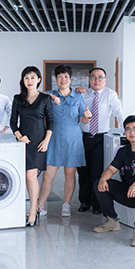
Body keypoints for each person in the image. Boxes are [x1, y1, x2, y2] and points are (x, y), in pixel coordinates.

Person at [93, 116, 135, 247]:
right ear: (124, 132)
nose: (132, 132)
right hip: (131, 192)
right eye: (128, 129)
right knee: (99, 183)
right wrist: (103, 178)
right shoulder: (123, 151)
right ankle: (112, 221)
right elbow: (111, 169)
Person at [38, 65, 89, 217]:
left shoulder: (78, 96)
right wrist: (52, 97)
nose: (63, 79)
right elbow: (34, 92)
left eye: (66, 76)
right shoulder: (49, 95)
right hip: (53, 139)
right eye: (60, 76)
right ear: (56, 79)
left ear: (70, 79)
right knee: (48, 175)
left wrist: (87, 117)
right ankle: (41, 205)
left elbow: (83, 120)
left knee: (70, 175)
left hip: (72, 139)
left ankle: (66, 204)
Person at [10, 66, 54, 227]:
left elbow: (51, 121)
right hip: (23, 143)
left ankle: (33, 211)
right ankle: (34, 208)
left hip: (39, 143)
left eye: (33, 77)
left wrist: (47, 141)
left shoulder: (45, 99)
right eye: (26, 78)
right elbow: (13, 122)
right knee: (28, 177)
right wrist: (19, 136)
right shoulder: (17, 99)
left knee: (30, 176)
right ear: (23, 80)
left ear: (39, 80)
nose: (29, 80)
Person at [77, 67, 124, 214]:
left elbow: (119, 112)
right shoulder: (83, 94)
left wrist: (126, 130)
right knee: (83, 171)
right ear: (89, 79)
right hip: (83, 137)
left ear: (105, 79)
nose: (96, 80)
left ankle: (96, 203)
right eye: (93, 77)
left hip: (100, 138)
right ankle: (84, 201)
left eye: (100, 77)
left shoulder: (110, 94)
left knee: (97, 172)